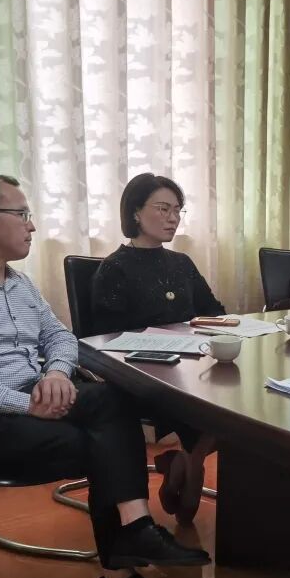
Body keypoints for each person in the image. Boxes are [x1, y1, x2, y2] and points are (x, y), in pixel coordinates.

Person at [0, 170, 210, 578]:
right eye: (21, 214)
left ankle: (136, 530)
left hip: (34, 399)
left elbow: (61, 338)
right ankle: (119, 577)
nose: (32, 225)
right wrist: (26, 403)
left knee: (114, 401)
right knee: (101, 444)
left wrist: (57, 373)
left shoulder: (20, 284)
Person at [91, 173, 224, 524]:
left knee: (233, 395)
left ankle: (188, 461)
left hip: (190, 365)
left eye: (178, 210)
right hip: (140, 374)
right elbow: (104, 339)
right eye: (163, 209)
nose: (173, 218)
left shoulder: (182, 263)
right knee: (207, 404)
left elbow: (214, 312)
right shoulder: (114, 268)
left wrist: (216, 329)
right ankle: (189, 461)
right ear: (136, 212)